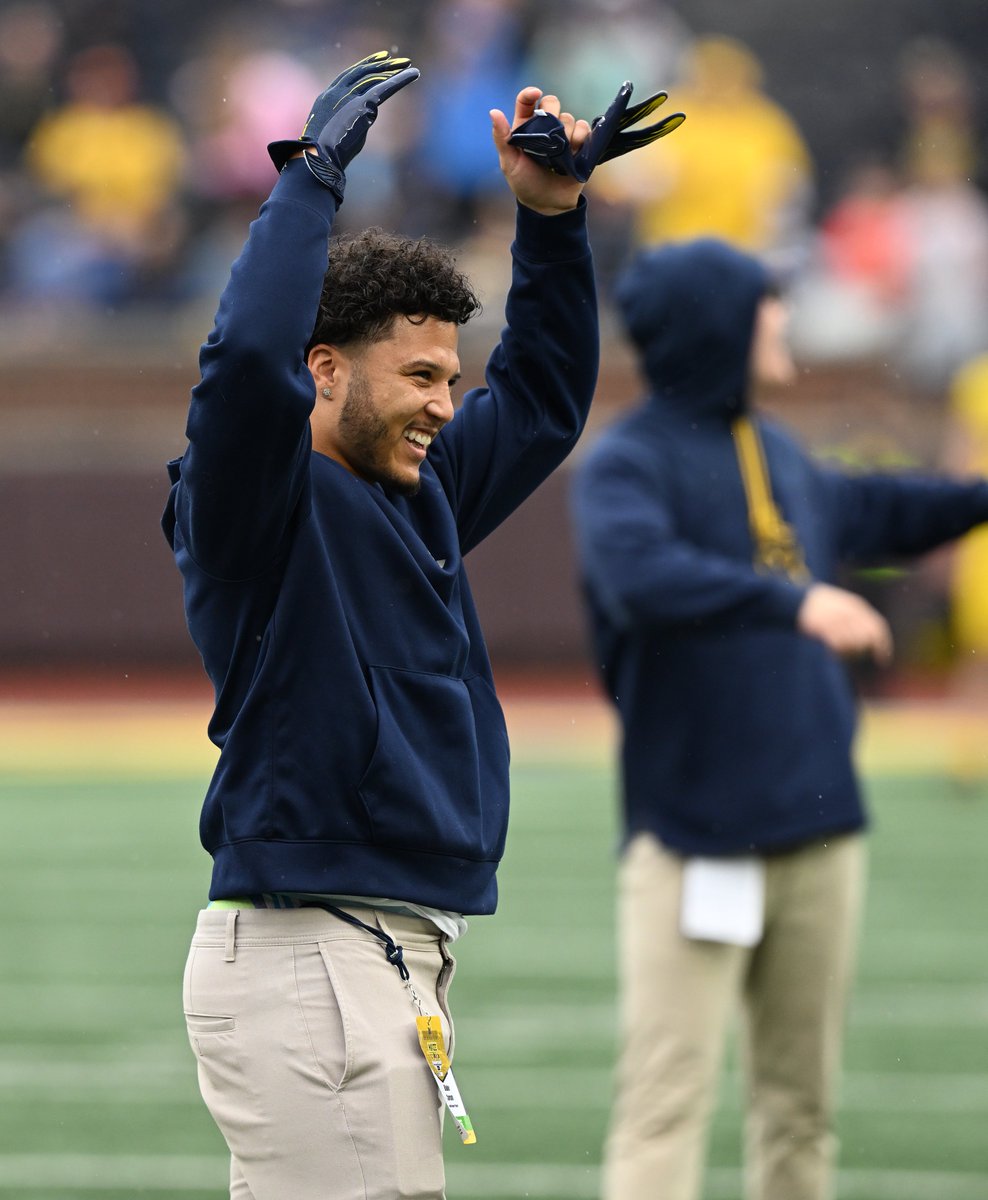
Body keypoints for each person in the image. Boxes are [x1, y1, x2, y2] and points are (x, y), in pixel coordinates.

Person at [162, 50, 598, 1200]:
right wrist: (308, 176)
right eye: (417, 377)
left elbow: (543, 402)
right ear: (322, 371)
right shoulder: (254, 496)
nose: (444, 406)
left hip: (374, 948)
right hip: (310, 950)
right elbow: (241, 363)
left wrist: (551, 220)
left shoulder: (418, 485)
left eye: (450, 378)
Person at [569, 237, 988, 1200]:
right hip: (693, 834)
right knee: (665, 1101)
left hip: (818, 828)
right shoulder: (628, 464)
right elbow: (640, 576)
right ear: (718, 325)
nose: (784, 318)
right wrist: (793, 603)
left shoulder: (774, 450)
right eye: (766, 302)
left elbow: (878, 508)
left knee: (802, 1110)